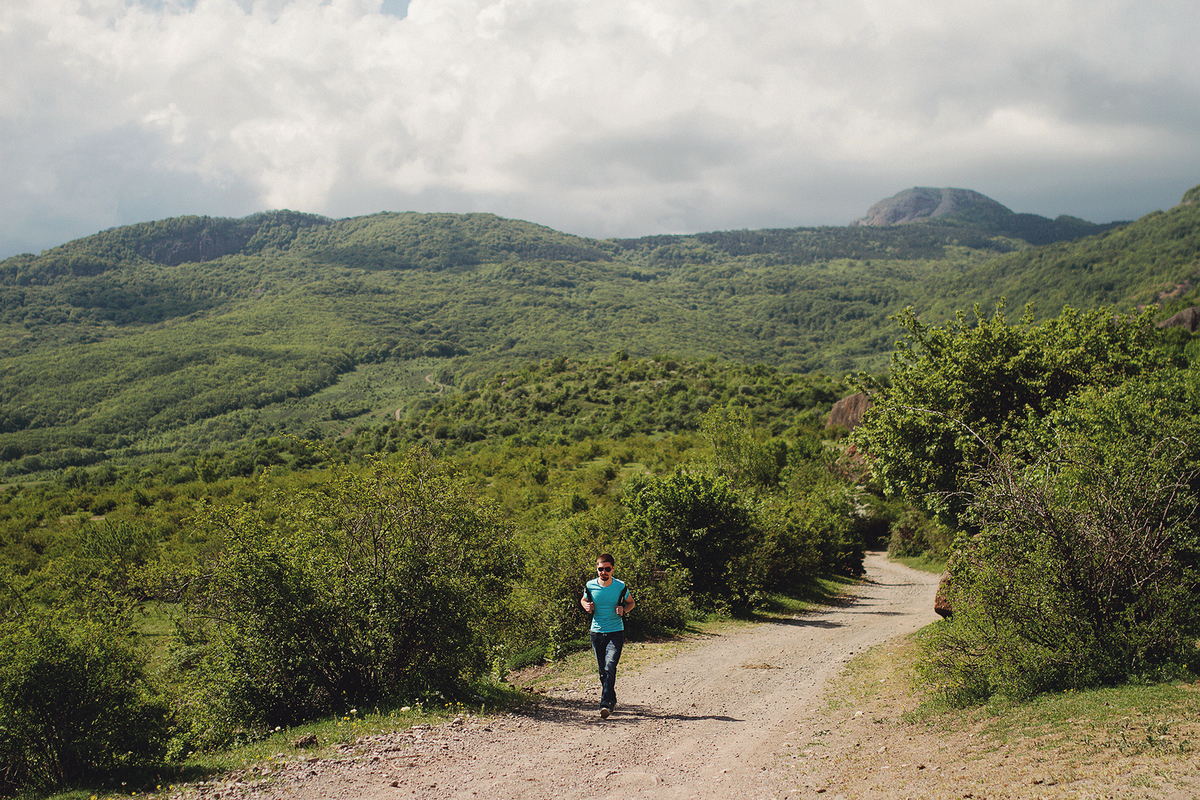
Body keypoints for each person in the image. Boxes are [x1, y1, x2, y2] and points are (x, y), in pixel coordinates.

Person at [580, 553, 634, 719]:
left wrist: (624, 610)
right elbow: (583, 599)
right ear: (597, 568)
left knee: (610, 666)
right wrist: (586, 606)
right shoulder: (590, 585)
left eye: (607, 569)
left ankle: (605, 704)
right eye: (600, 569)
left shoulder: (620, 586)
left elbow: (631, 602)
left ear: (613, 569)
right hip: (596, 633)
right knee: (603, 672)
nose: (603, 572)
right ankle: (612, 698)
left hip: (615, 632)